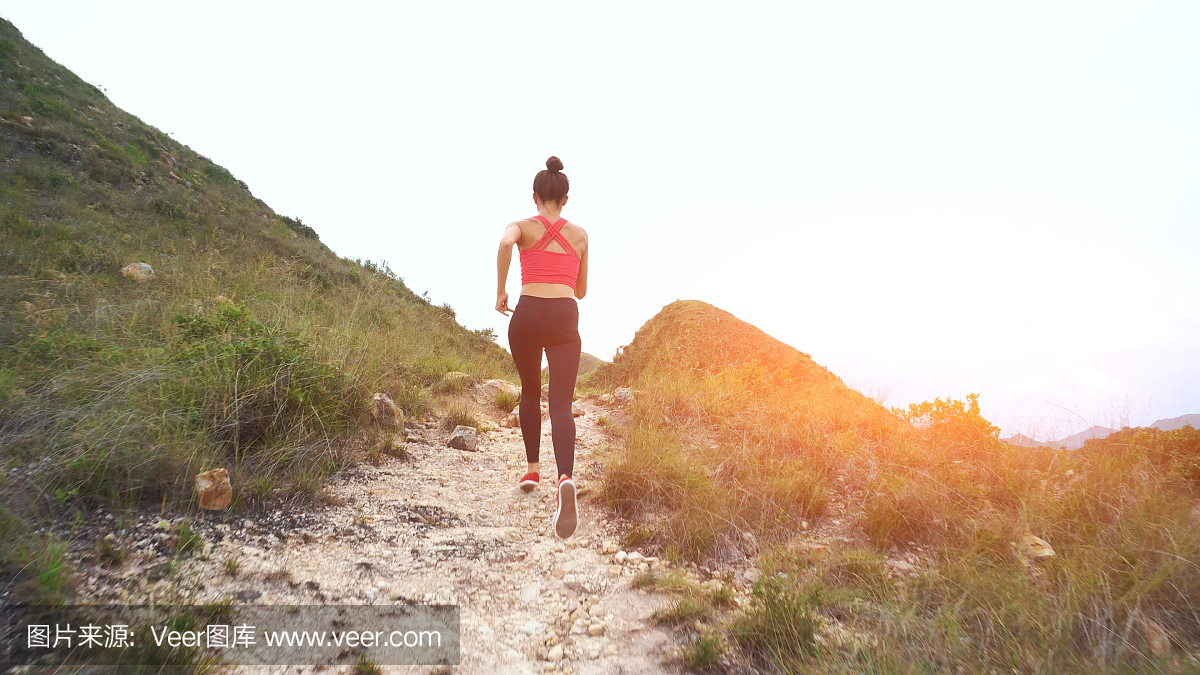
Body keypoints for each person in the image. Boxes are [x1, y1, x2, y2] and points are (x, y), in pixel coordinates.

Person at [495, 156, 589, 539]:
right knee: (562, 403)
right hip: (565, 316)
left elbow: (504, 243)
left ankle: (532, 468)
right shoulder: (581, 235)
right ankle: (564, 477)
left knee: (530, 391)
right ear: (565, 200)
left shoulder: (522, 226)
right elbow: (581, 290)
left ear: (535, 197)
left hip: (528, 313)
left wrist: (500, 290)